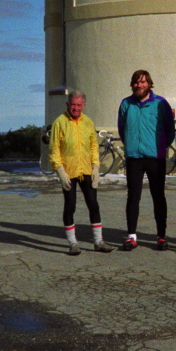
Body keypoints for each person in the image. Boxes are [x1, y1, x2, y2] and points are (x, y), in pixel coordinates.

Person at [49, 91, 115, 255]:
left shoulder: (88, 122)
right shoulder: (59, 123)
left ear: (84, 106)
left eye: (79, 105)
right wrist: (60, 171)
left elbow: (94, 146)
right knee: (70, 206)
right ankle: (73, 243)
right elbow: (54, 149)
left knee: (93, 204)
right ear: (67, 105)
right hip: (68, 171)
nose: (76, 108)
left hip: (86, 170)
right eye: (73, 105)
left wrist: (96, 167)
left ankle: (98, 241)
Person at [117, 69, 176, 251]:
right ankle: (132, 237)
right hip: (134, 157)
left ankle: (161, 236)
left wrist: (160, 147)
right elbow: (122, 128)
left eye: (143, 82)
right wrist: (132, 145)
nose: (139, 85)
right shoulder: (126, 104)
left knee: (158, 197)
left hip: (155, 158)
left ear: (149, 84)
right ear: (132, 84)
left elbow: (170, 131)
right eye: (136, 82)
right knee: (133, 197)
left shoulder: (161, 103)